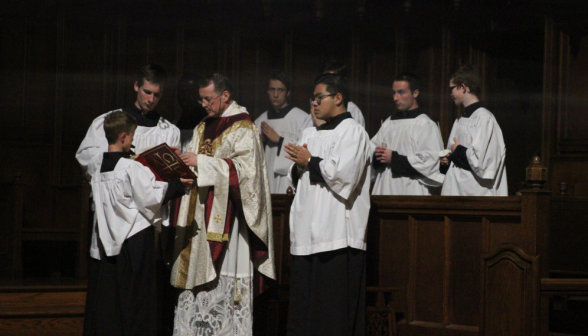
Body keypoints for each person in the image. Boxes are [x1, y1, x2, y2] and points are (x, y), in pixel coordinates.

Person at [75, 64, 181, 335]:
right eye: (147, 92)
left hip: (143, 224)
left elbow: (164, 179)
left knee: (140, 291)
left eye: (157, 95)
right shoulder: (108, 122)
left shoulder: (169, 130)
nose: (151, 99)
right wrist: (125, 168)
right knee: (109, 290)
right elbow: (89, 159)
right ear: (136, 86)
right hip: (114, 214)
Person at [170, 73, 276, 336]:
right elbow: (195, 162)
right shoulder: (203, 126)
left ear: (225, 95)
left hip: (230, 222)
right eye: (201, 99)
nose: (204, 104)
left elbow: (247, 175)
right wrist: (180, 162)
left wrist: (201, 163)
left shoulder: (244, 128)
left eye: (208, 99)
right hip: (201, 214)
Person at [284, 73, 371, 336]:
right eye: (312, 99)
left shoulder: (353, 132)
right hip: (306, 231)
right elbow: (297, 176)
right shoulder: (310, 132)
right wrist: (300, 165)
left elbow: (344, 176)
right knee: (304, 307)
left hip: (337, 235)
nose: (314, 103)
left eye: (319, 98)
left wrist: (309, 161)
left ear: (338, 98)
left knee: (332, 312)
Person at [371, 73, 445, 195]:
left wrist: (394, 159)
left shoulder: (425, 124)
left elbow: (429, 161)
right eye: (394, 93)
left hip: (411, 190)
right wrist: (377, 155)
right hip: (384, 189)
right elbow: (371, 150)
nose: (395, 98)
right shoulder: (389, 123)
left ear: (415, 93)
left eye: (401, 92)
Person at [440, 64, 508, 196]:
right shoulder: (460, 120)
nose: (450, 94)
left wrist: (458, 150)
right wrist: (447, 160)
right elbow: (453, 153)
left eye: (451, 89)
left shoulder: (484, 118)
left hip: (475, 192)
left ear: (463, 87)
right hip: (456, 188)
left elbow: (482, 163)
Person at [254, 71, 309, 193]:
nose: (275, 94)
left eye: (280, 90)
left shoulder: (301, 118)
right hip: (266, 176)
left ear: (288, 93)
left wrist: (279, 140)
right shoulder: (261, 120)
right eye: (272, 89)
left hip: (288, 180)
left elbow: (305, 149)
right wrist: (260, 142)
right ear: (267, 91)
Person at [306, 60, 366, 128]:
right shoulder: (316, 111)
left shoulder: (352, 110)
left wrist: (322, 126)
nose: (326, 82)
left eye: (331, 79)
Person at [175, 73, 208, 153]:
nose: (185, 96)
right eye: (182, 92)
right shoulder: (173, 125)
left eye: (190, 92)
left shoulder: (208, 122)